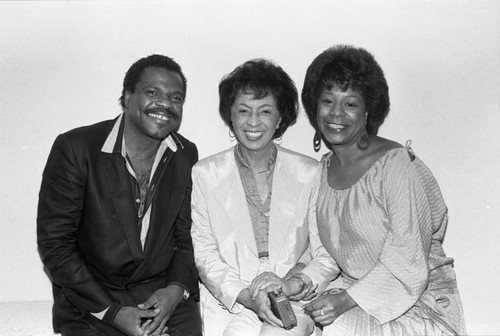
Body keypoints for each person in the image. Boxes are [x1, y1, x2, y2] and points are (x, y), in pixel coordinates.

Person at [279, 45, 466, 335]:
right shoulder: (322, 172)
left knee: (341, 328)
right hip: (352, 293)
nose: (336, 113)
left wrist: (346, 300)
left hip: (418, 302)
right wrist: (295, 281)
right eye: (328, 101)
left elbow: (408, 260)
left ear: (368, 111)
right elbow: (319, 252)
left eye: (350, 103)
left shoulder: (396, 165)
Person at [37, 54, 202, 336]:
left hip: (160, 302)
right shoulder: (76, 149)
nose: (165, 104)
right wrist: (112, 313)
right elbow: (55, 244)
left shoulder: (185, 154)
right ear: (127, 97)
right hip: (91, 303)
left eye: (176, 98)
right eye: (153, 93)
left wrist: (175, 292)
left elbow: (186, 240)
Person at [190, 59, 336, 336]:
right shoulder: (205, 174)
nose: (253, 122)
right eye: (243, 111)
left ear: (280, 118)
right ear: (229, 116)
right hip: (232, 300)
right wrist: (247, 296)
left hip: (293, 298)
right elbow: (205, 253)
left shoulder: (311, 172)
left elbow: (325, 253)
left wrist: (293, 283)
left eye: (265, 111)